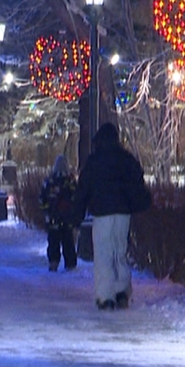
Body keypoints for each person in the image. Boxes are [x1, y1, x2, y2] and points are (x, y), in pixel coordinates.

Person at [76, 123, 146, 310]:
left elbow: (83, 189)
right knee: (119, 252)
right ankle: (122, 290)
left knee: (103, 253)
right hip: (123, 213)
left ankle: (106, 295)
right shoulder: (126, 159)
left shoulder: (94, 162)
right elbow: (138, 182)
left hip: (102, 213)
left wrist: (76, 214)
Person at [39, 155, 80, 271]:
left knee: (53, 241)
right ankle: (70, 264)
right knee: (68, 242)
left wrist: (47, 212)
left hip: (53, 218)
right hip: (67, 219)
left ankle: (53, 262)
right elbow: (77, 199)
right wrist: (74, 215)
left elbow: (42, 198)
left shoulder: (49, 182)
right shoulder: (71, 182)